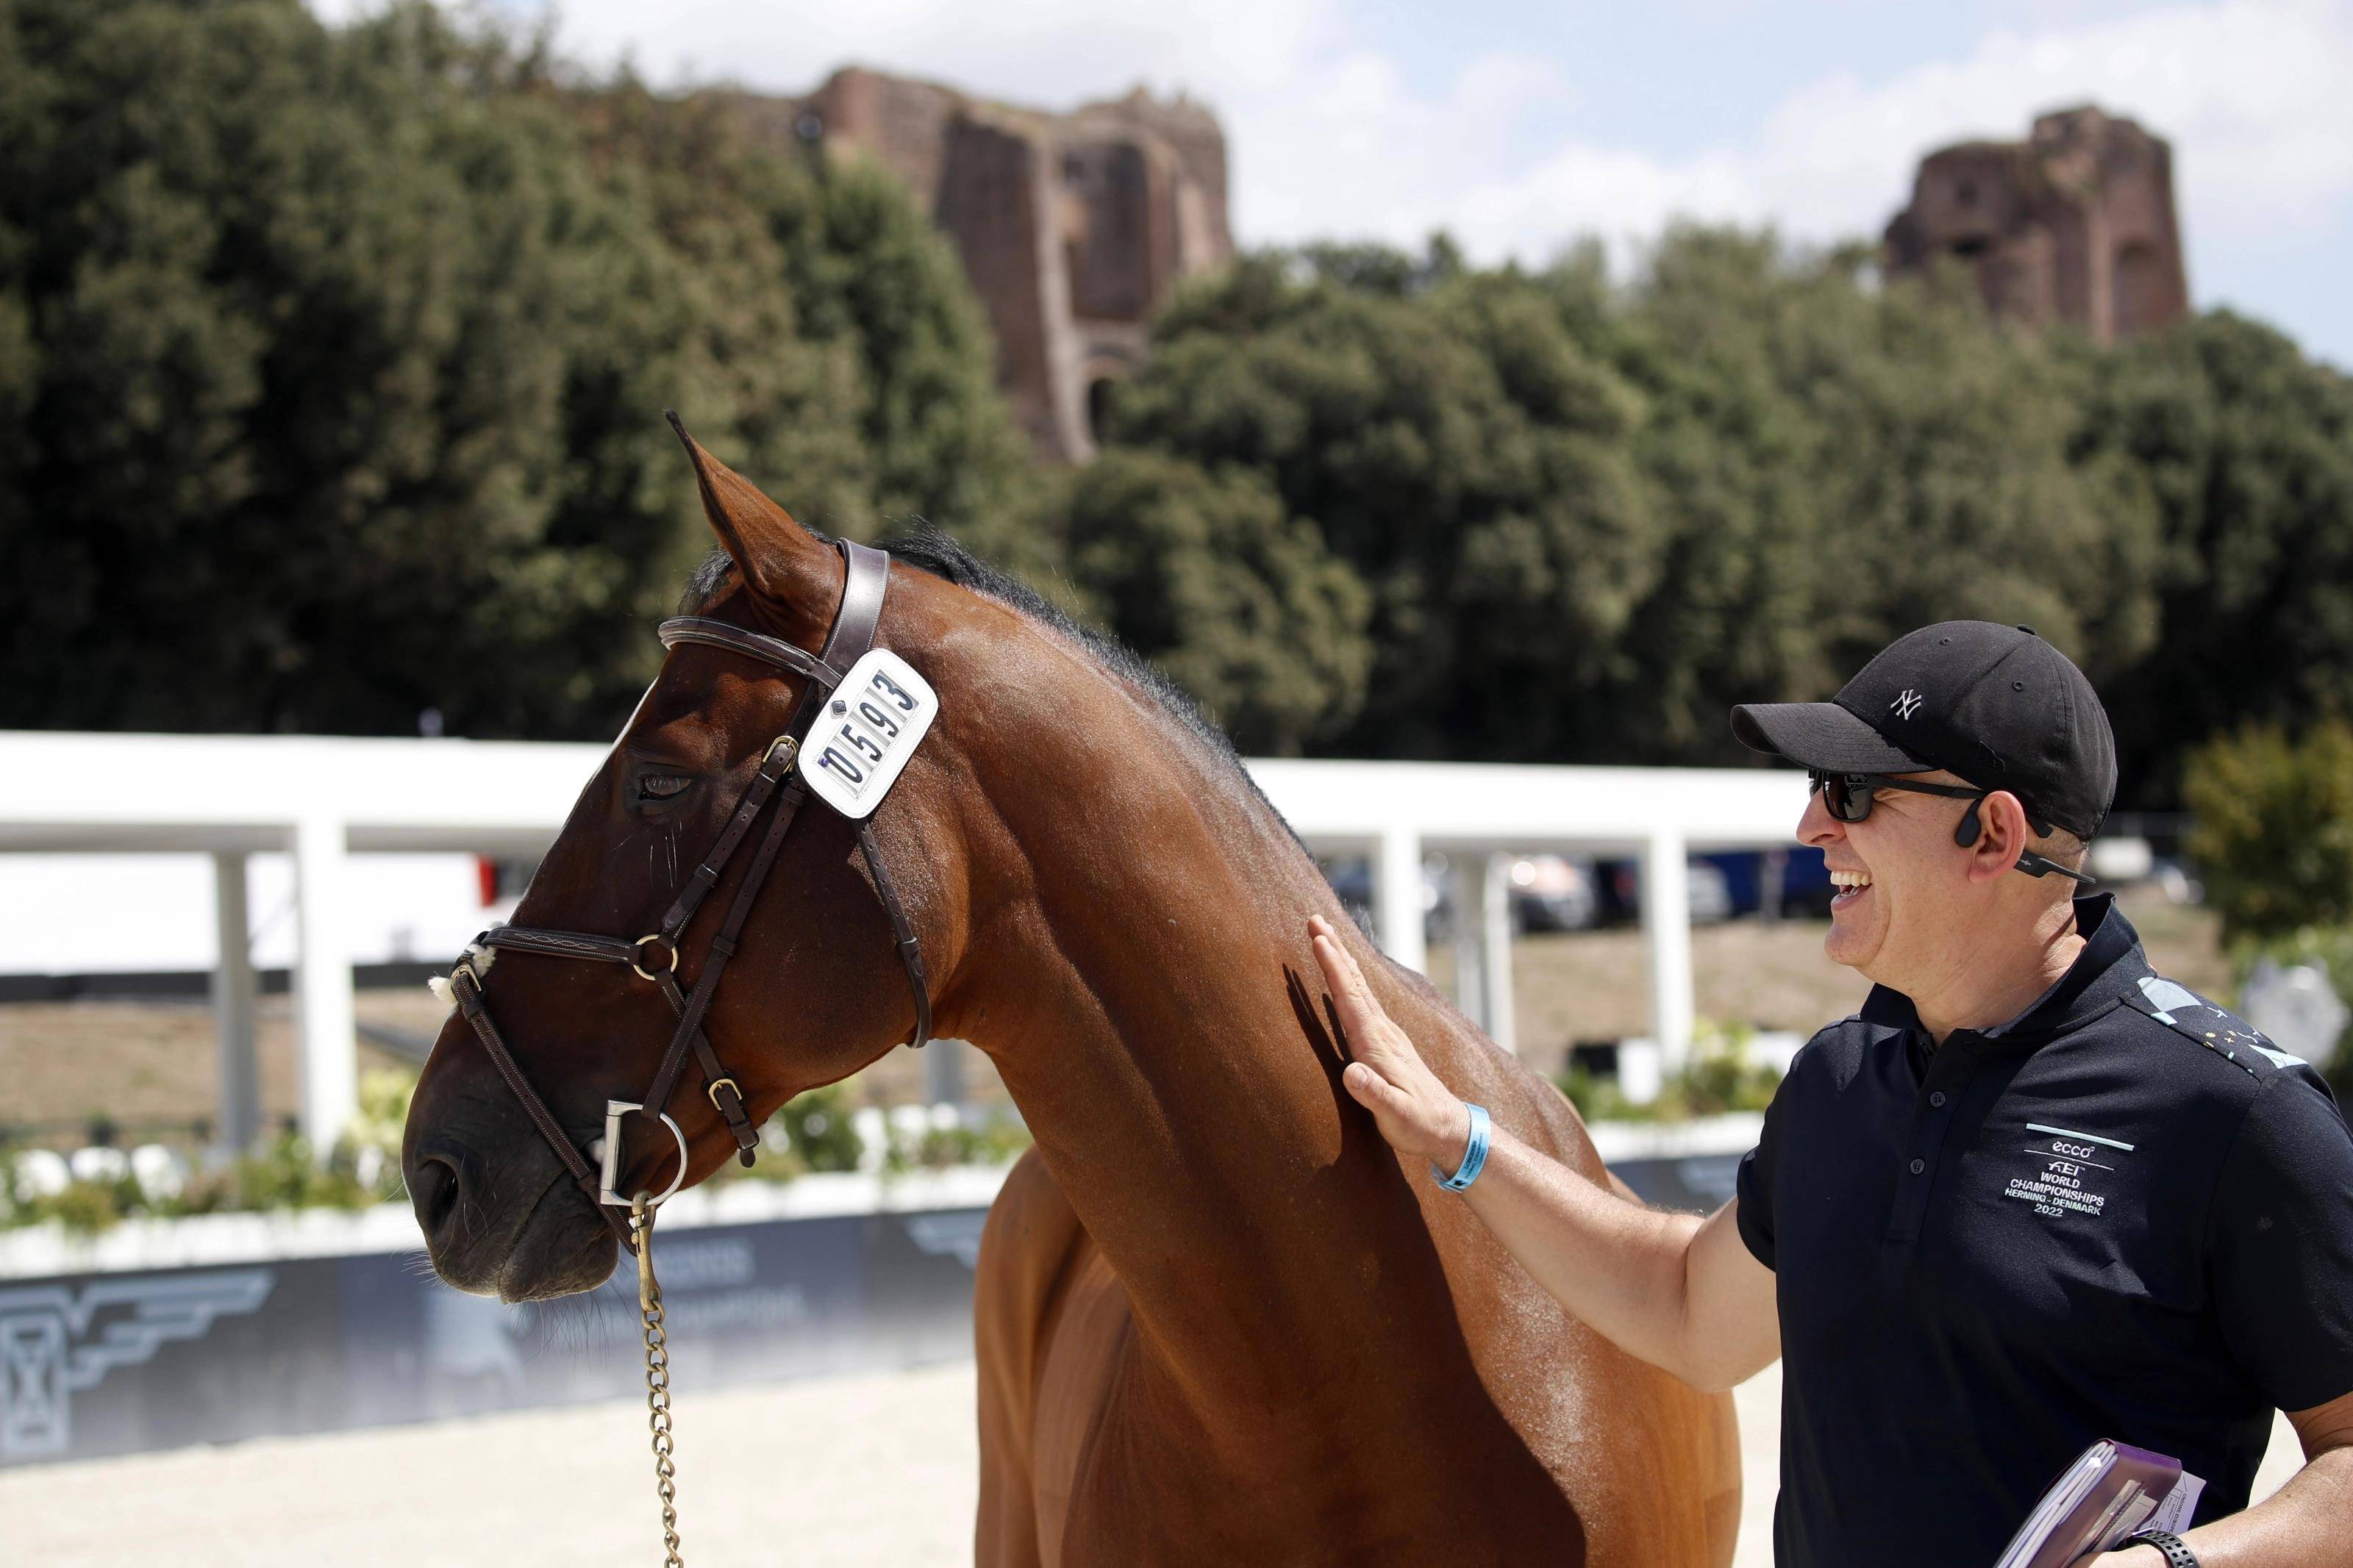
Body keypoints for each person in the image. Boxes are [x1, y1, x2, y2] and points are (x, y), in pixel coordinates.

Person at [1310, 621, 2353, 1568]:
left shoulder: (2238, 1114)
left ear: (1994, 834)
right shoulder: (1838, 1081)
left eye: (1854, 791)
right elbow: (1688, 1309)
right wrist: (1459, 1139)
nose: (1812, 824)